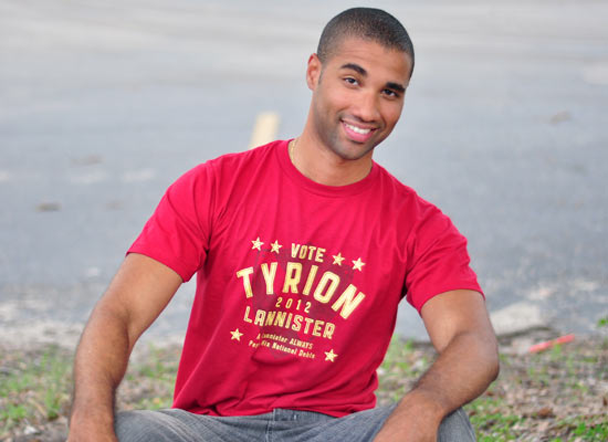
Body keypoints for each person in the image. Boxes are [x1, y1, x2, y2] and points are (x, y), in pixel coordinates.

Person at [68, 7, 498, 442]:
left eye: (389, 92)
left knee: (445, 427)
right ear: (314, 72)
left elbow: (473, 341)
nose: (368, 109)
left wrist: (421, 407)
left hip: (333, 432)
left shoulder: (419, 225)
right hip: (214, 430)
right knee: (128, 432)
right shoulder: (215, 185)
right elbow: (121, 313)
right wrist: (88, 419)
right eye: (352, 80)